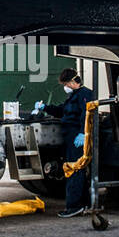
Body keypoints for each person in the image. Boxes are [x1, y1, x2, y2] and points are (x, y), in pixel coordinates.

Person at [36, 68, 94, 218]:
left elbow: (87, 115)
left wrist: (83, 133)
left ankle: (74, 206)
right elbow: (63, 110)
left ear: (74, 81)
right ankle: (83, 203)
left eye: (67, 83)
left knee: (73, 170)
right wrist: (45, 108)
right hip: (70, 136)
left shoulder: (85, 94)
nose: (65, 87)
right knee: (75, 169)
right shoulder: (73, 96)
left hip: (77, 136)